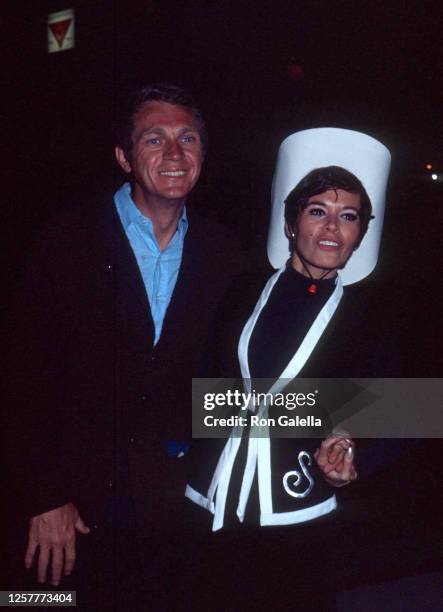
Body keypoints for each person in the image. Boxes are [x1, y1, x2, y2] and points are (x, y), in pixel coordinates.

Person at [1, 83, 245, 608]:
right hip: (69, 514)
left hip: (173, 515)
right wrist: (43, 495)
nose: (175, 154)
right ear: (124, 157)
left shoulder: (227, 254)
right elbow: (19, 374)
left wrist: (345, 419)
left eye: (188, 138)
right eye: (154, 139)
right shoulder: (68, 237)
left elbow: (234, 383)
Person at [186, 129, 393, 610]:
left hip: (298, 520)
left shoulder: (373, 320)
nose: (331, 230)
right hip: (207, 505)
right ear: (291, 221)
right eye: (317, 211)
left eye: (348, 218)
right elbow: (203, 390)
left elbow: (400, 413)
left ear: (361, 233)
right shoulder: (239, 290)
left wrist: (349, 458)